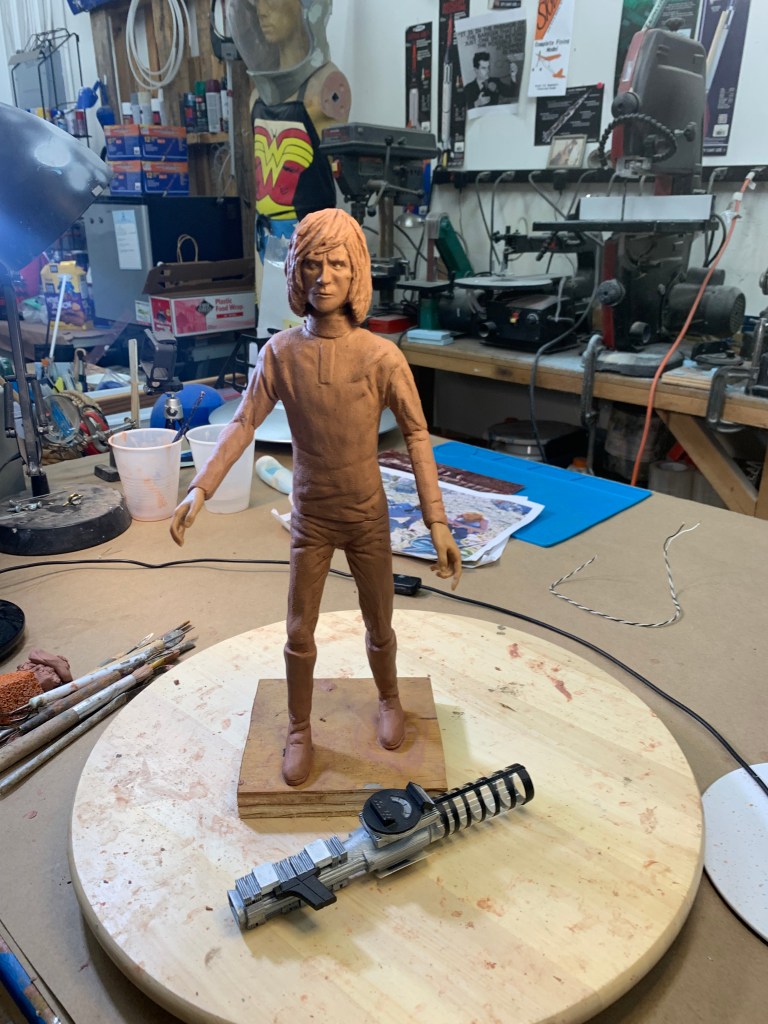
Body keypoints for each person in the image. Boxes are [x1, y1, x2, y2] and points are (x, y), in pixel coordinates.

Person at [170, 208, 462, 786]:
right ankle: (300, 728)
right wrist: (199, 488)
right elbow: (243, 422)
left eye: (337, 264)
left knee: (380, 623)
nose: (324, 277)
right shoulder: (280, 354)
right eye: (311, 265)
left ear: (357, 273)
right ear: (295, 274)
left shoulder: (381, 356)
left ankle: (389, 698)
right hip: (311, 518)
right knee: (299, 631)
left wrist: (438, 521)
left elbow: (417, 433)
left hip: (367, 515)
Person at [228, 0, 351, 309]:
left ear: (305, 7)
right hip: (264, 236)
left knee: (310, 330)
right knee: (269, 325)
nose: (262, 11)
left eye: (271, 1)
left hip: (311, 241)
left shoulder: (326, 87)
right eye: (257, 3)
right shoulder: (258, 95)